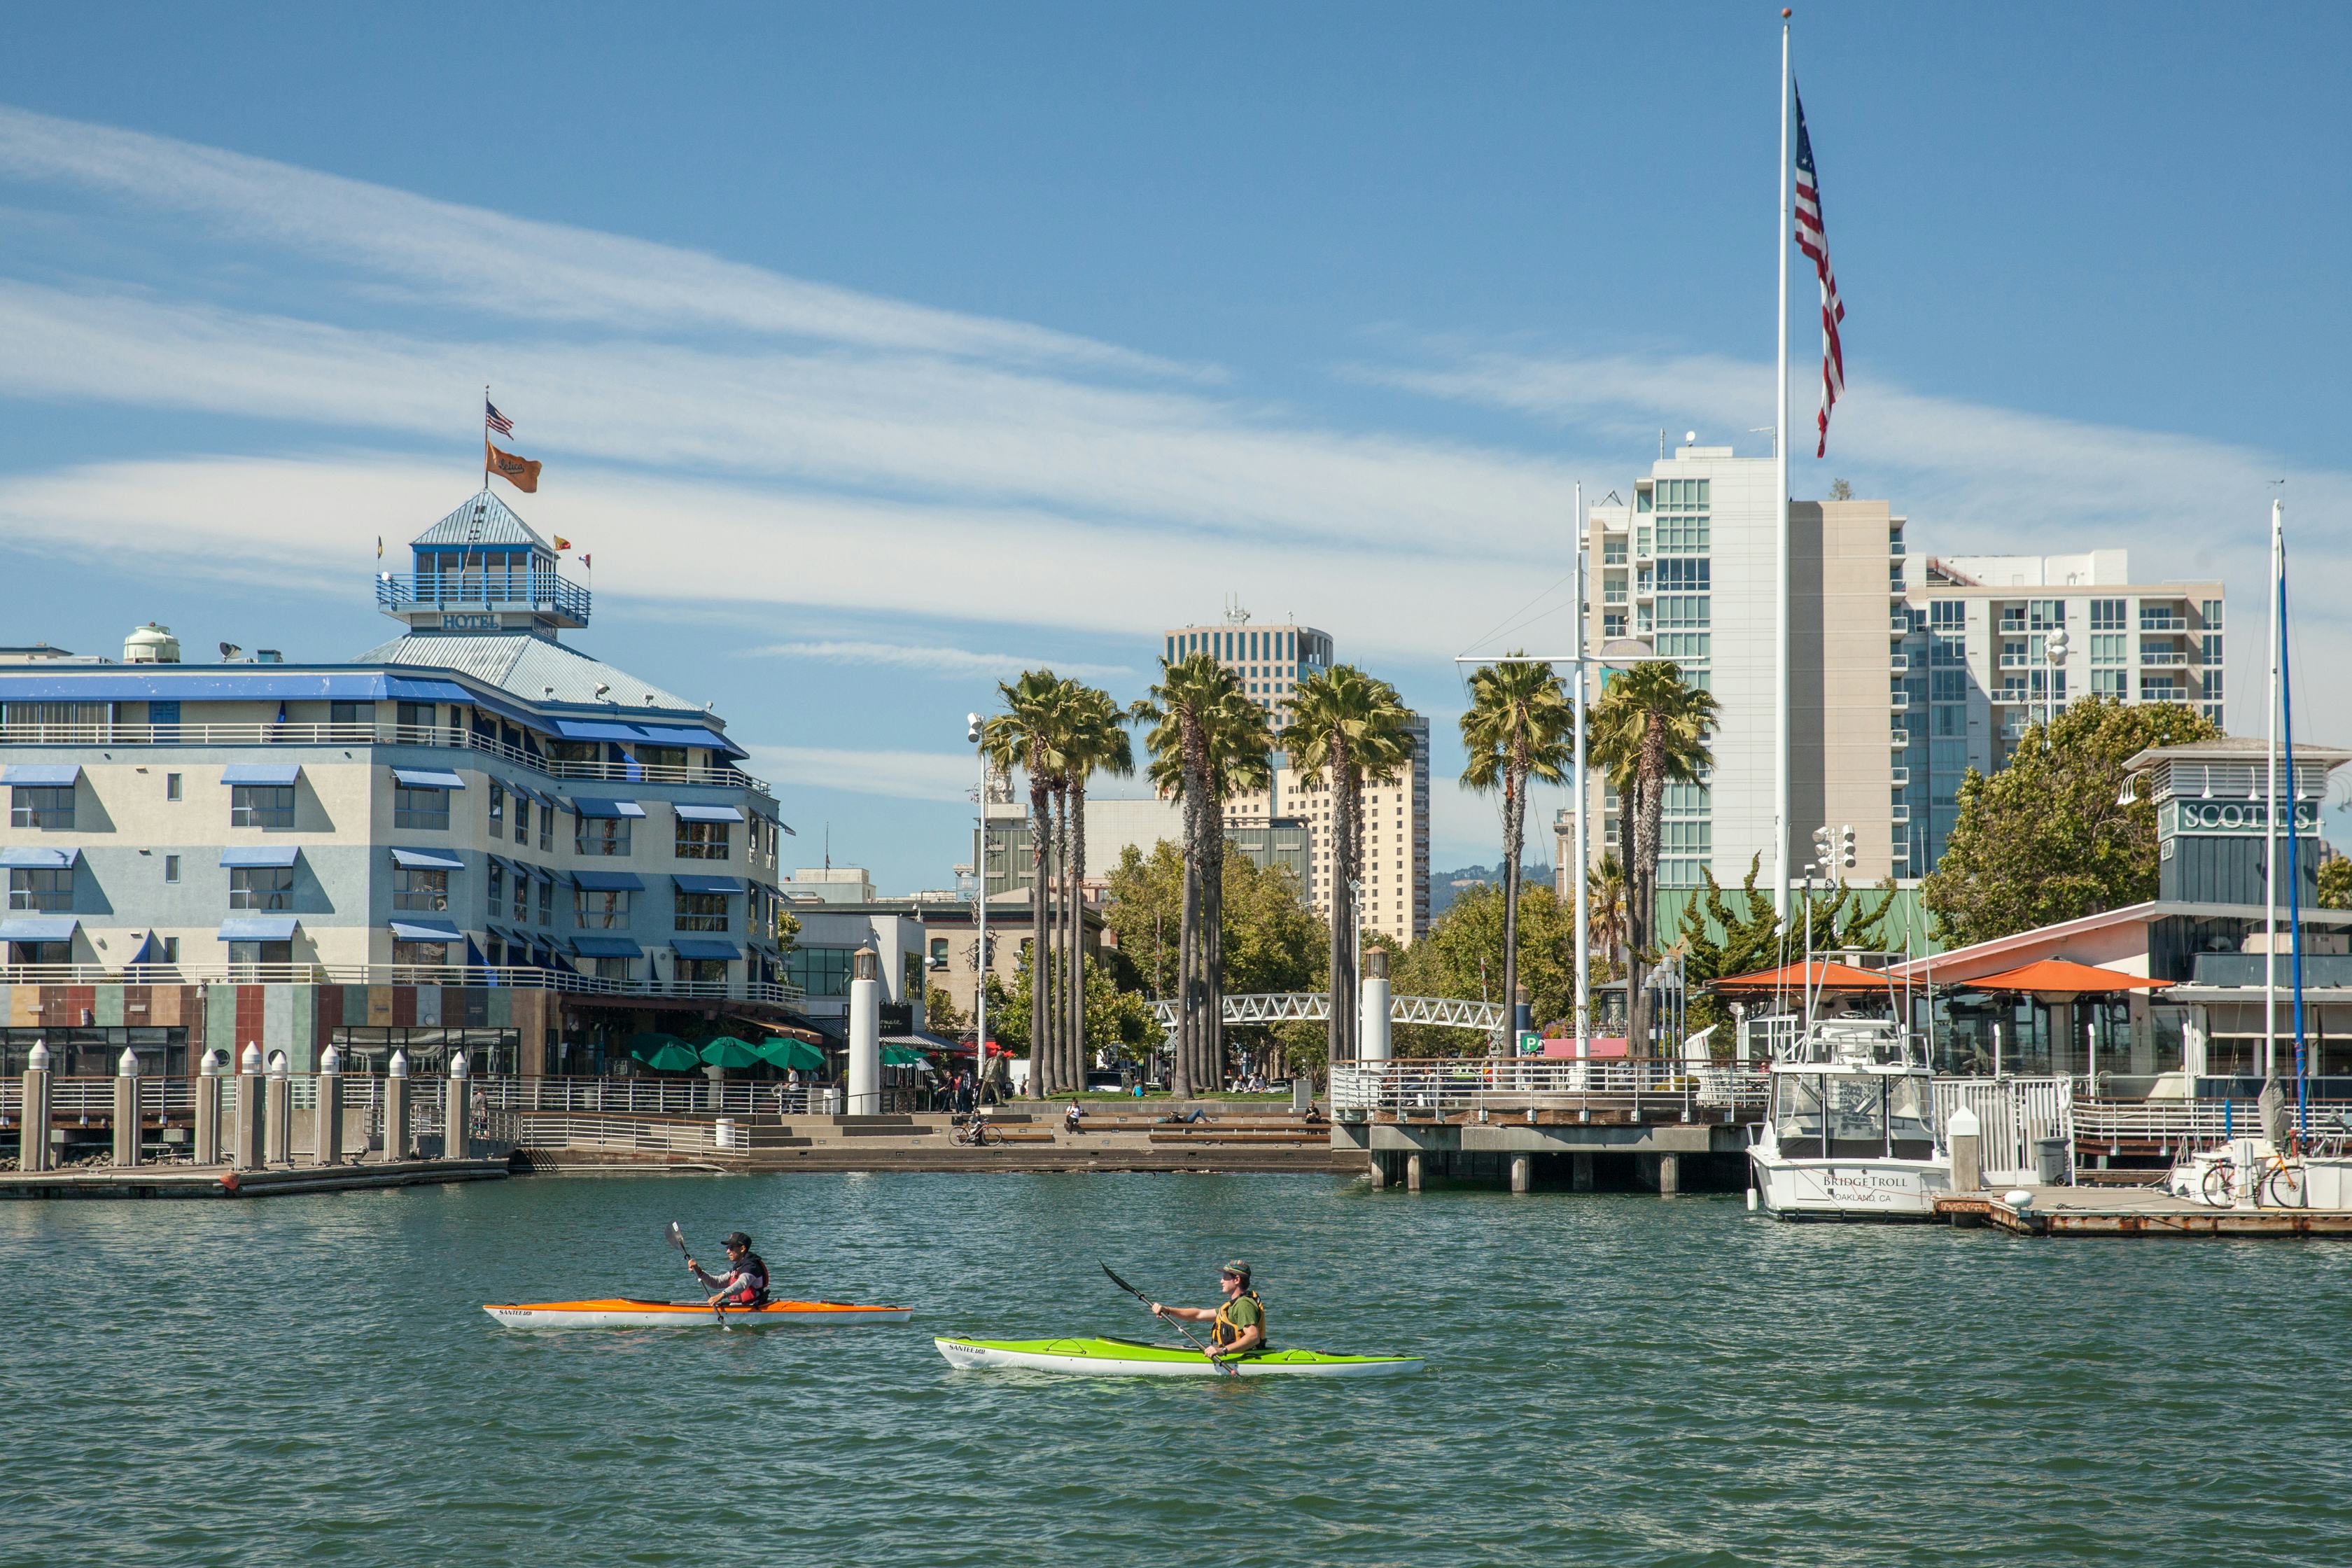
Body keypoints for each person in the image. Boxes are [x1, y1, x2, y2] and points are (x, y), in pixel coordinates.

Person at [1153, 1261, 1266, 1358]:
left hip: (1246, 1357)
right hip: (1234, 1354)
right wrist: (1168, 1310)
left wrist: (1222, 1350)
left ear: (1236, 1279)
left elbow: (1253, 1337)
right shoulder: (1233, 1306)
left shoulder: (1244, 1305)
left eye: (1225, 1277)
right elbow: (1198, 1314)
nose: (1221, 1281)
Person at [685, 1231, 771, 1308]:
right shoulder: (738, 1267)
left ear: (742, 1249)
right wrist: (699, 1272)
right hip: (739, 1308)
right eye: (727, 1247)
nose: (728, 1251)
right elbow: (717, 1282)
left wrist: (722, 1295)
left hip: (752, 1308)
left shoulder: (751, 1266)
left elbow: (742, 1284)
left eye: (731, 1247)